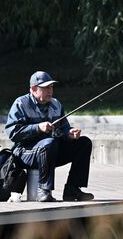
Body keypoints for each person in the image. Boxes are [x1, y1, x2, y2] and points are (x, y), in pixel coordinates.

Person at [5, 71, 94, 202]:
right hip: (24, 153)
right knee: (49, 143)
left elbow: (63, 129)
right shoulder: (21, 104)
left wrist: (69, 134)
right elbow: (12, 132)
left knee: (84, 143)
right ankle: (44, 190)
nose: (50, 90)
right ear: (34, 89)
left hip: (51, 150)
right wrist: (37, 128)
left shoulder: (56, 104)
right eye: (46, 87)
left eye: (51, 87)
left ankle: (72, 190)